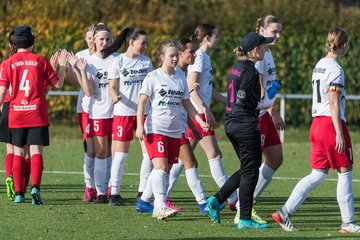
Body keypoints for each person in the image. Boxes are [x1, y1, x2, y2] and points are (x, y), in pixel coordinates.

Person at [272, 28, 360, 233]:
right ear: (344, 45)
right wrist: (339, 132)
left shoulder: (320, 64)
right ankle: (348, 223)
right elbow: (333, 101)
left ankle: (285, 212)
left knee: (318, 174)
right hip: (331, 125)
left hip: (317, 125)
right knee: (345, 174)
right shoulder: (336, 69)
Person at [206, 32, 274, 229]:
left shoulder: (237, 67)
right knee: (252, 170)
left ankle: (217, 200)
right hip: (244, 124)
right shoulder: (251, 71)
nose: (266, 48)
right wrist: (265, 101)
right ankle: (244, 218)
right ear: (254, 50)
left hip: (231, 123)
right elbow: (245, 101)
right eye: (263, 46)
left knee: (248, 167)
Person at [135, 40, 209, 220]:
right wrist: (139, 126)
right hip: (156, 129)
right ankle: (159, 206)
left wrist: (199, 119)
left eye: (177, 55)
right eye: (172, 55)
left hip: (175, 130)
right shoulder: (153, 77)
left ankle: (144, 200)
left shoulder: (180, 77)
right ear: (162, 57)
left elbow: (186, 102)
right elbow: (142, 102)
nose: (176, 58)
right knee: (160, 167)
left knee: (166, 168)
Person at [0, 25, 68, 204]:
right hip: (36, 113)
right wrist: (62, 66)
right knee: (36, 151)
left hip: (16, 114)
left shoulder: (8, 63)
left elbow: (2, 91)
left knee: (17, 153)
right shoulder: (40, 60)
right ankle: (35, 188)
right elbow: (58, 84)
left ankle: (20, 194)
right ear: (32, 41)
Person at [234, 15, 283, 225]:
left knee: (276, 159)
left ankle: (241, 200)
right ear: (261, 31)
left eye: (280, 31)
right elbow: (261, 88)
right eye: (274, 31)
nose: (278, 36)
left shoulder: (267, 52)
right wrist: (273, 111)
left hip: (264, 114)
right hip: (258, 116)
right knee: (251, 166)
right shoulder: (258, 55)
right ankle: (242, 206)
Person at [187, 23, 237, 210]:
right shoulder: (199, 58)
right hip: (196, 113)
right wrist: (204, 109)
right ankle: (233, 198)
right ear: (207, 38)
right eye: (217, 36)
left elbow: (208, 89)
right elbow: (191, 87)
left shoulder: (204, 58)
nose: (219, 39)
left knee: (181, 158)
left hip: (196, 112)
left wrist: (228, 102)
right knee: (214, 154)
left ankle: (152, 196)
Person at [101, 27, 153, 206]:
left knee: (149, 155)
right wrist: (115, 96)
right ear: (131, 42)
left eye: (146, 43)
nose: (145, 46)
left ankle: (143, 192)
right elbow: (111, 86)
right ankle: (114, 194)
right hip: (123, 114)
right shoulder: (118, 61)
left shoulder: (146, 62)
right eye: (142, 43)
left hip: (145, 114)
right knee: (121, 156)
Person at [76, 23, 118, 204]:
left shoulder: (118, 59)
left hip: (116, 112)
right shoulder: (89, 61)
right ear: (94, 40)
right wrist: (83, 71)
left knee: (110, 152)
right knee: (99, 151)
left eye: (108, 39)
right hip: (97, 112)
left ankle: (108, 188)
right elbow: (88, 91)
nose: (105, 42)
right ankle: (99, 191)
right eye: (101, 39)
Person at [165, 38, 208, 213]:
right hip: (168, 128)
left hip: (179, 127)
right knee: (188, 163)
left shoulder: (182, 74)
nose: (195, 54)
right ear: (181, 54)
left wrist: (194, 123)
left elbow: (183, 105)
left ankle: (147, 199)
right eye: (191, 51)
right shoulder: (170, 74)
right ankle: (203, 204)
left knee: (169, 166)